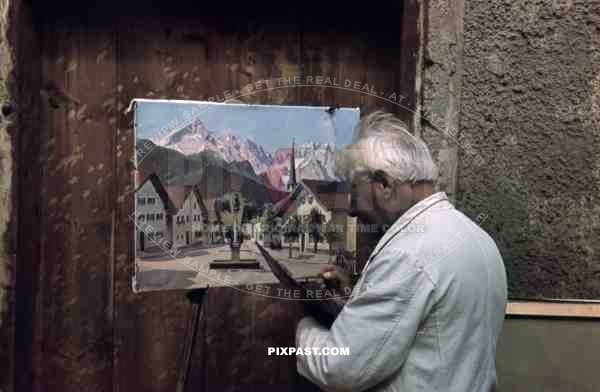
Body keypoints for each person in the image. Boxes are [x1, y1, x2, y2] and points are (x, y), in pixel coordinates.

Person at [295, 111, 507, 392]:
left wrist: (300, 326)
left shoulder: (407, 255)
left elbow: (340, 369)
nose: (352, 210)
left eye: (355, 192)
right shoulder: (476, 238)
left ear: (384, 185)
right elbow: (427, 330)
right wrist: (355, 298)